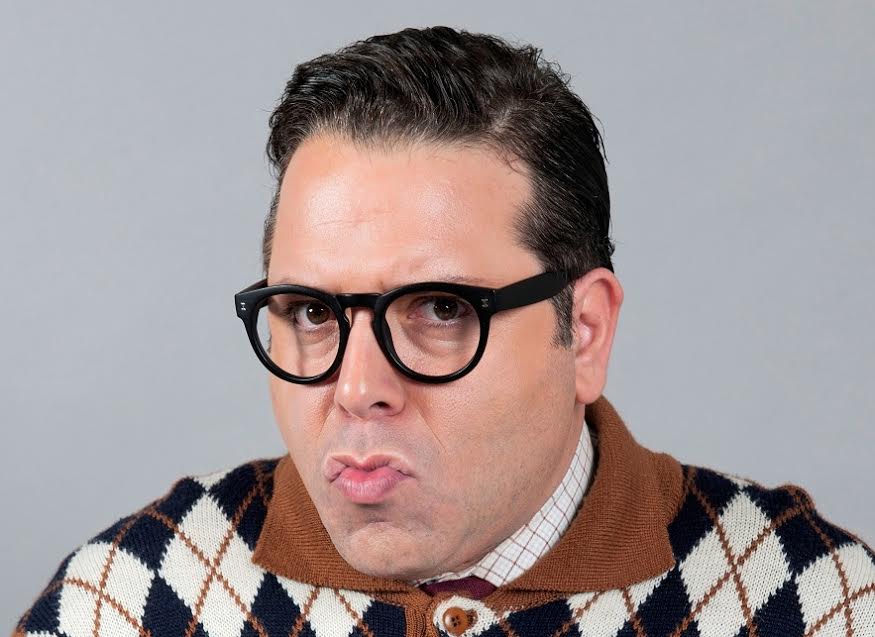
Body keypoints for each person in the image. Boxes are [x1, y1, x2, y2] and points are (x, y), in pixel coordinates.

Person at [14, 26, 874, 637]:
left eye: (439, 310)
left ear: (583, 329)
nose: (358, 389)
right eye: (312, 312)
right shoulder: (125, 602)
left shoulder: (816, 605)